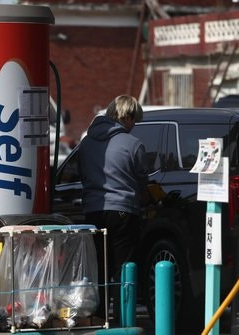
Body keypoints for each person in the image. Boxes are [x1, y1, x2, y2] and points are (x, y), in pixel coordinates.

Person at [78, 94, 149, 325]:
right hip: (123, 211)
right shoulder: (133, 144)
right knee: (123, 267)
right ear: (126, 117)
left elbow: (81, 175)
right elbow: (142, 181)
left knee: (99, 266)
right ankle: (123, 318)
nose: (134, 125)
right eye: (134, 120)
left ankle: (98, 317)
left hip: (93, 211)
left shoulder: (86, 143)